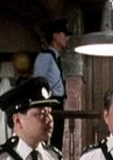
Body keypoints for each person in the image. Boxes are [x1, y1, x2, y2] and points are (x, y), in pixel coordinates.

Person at [33, 18, 71, 151]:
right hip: (50, 103)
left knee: (57, 141)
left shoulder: (56, 58)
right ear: (55, 36)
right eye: (64, 34)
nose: (67, 38)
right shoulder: (45, 57)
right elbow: (38, 82)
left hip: (59, 103)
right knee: (50, 140)